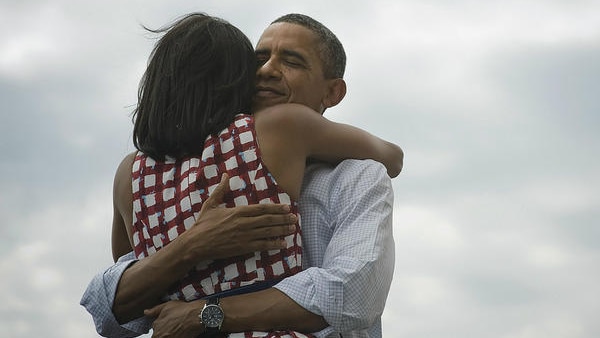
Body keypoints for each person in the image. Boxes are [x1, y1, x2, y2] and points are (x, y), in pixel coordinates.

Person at [82, 13, 399, 338]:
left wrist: (203, 312)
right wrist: (192, 244)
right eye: (257, 60)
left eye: (291, 61)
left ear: (332, 92)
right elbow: (118, 296)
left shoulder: (357, 178)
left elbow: (349, 295)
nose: (265, 71)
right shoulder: (268, 137)